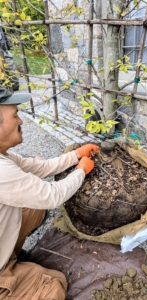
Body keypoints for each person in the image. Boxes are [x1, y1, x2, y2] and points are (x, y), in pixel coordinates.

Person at [0, 86, 99, 299]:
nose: (21, 121)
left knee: (34, 209)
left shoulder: (4, 157)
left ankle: (11, 255)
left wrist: (75, 155)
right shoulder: (1, 171)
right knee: (53, 286)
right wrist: (82, 170)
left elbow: (41, 168)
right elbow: (52, 195)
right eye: (15, 116)